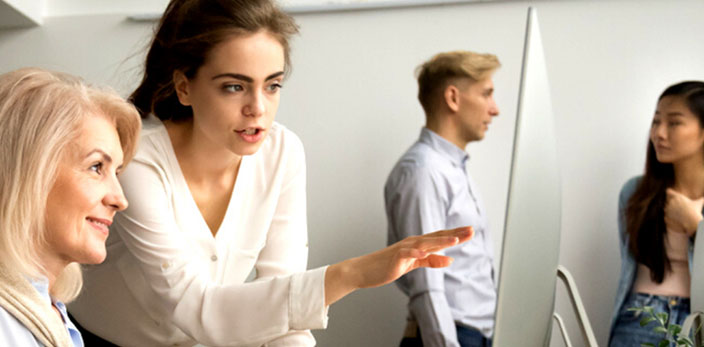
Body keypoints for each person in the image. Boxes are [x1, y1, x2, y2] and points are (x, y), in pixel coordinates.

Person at [68, 0, 473, 346]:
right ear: (184, 86)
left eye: (273, 85)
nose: (258, 108)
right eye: (234, 87)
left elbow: (282, 301)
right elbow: (193, 305)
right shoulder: (137, 162)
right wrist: (351, 274)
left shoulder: (283, 153)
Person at [0, 68, 141, 346]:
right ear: (29, 174)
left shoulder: (51, 315)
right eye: (96, 167)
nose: (120, 199)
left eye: (117, 173)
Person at [384, 51, 500, 347]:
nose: (494, 109)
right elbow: (426, 285)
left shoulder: (450, 170)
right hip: (450, 337)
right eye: (486, 94)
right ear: (453, 98)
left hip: (474, 335)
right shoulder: (424, 172)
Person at [609, 81, 704, 346]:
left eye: (674, 123)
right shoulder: (634, 193)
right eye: (656, 122)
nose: (659, 133)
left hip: (698, 321)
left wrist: (695, 225)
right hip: (642, 315)